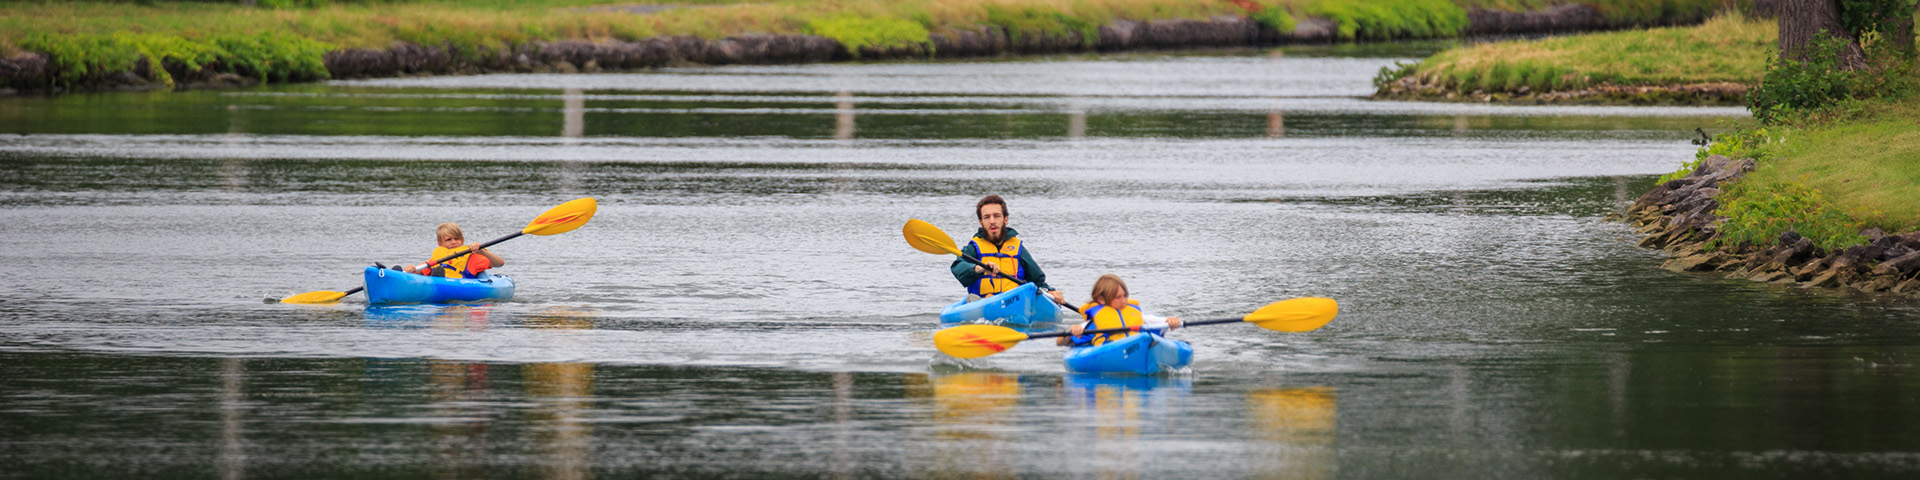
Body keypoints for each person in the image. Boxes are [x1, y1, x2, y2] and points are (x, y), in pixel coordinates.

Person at [950, 195, 1066, 304]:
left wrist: (1050, 291)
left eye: (997, 216)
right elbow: (958, 268)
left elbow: (1038, 281)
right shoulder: (973, 248)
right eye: (987, 217)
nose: (992, 221)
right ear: (981, 222)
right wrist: (979, 268)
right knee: (971, 299)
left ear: (1005, 220)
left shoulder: (1018, 248)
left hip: (1014, 303)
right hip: (983, 303)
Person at [1060, 274, 1183, 346]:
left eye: (1125, 296)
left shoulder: (1136, 314)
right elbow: (1060, 341)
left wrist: (1171, 321)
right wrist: (1074, 330)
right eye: (1118, 297)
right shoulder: (1095, 323)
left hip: (1136, 347)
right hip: (1110, 350)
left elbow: (1161, 321)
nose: (1124, 300)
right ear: (1101, 300)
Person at [402, 222, 505, 278]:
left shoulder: (471, 256)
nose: (453, 242)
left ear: (462, 241)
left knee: (438, 274)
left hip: (458, 284)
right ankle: (394, 272)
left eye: (456, 239)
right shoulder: (438, 257)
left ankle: (439, 280)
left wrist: (482, 251)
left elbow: (499, 263)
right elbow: (420, 273)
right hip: (437, 280)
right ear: (440, 243)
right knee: (435, 270)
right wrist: (411, 269)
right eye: (449, 240)